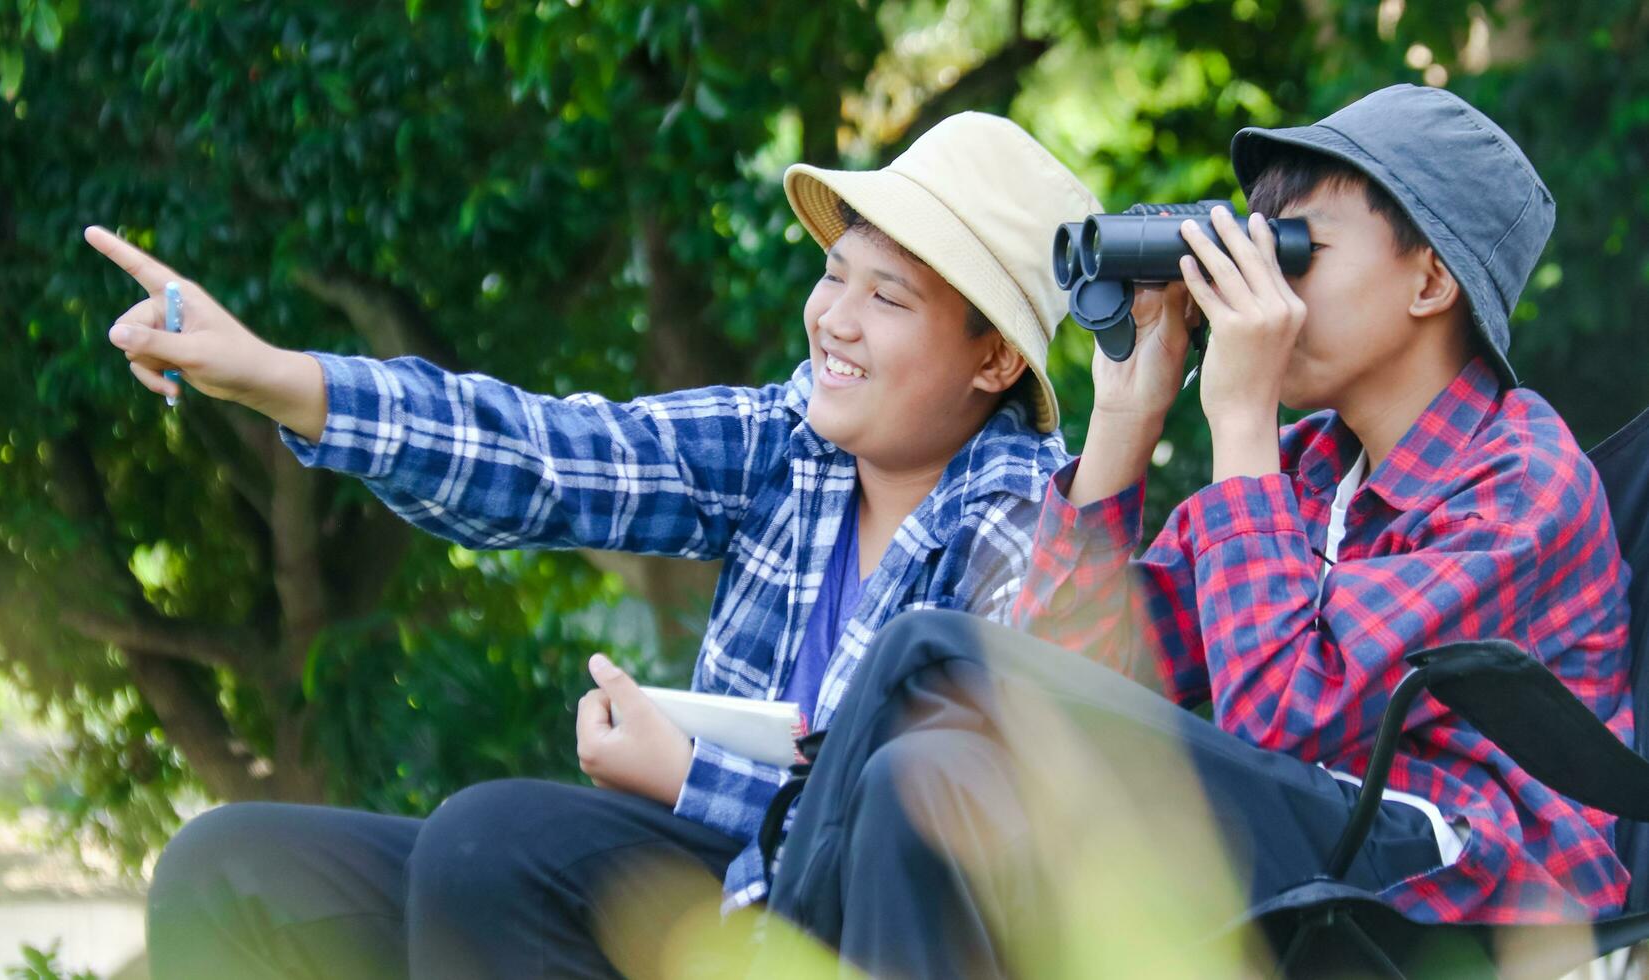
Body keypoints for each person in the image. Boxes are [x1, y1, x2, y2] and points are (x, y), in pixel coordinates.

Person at [87, 111, 1101, 977]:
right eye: (835, 275)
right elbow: (552, 455)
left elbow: (917, 854)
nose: (834, 318)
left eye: (888, 298)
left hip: (804, 938)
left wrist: (691, 774)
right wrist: (273, 374)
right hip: (686, 892)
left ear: (996, 355)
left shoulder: (1021, 527)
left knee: (492, 844)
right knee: (230, 865)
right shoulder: (791, 446)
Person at [766, 84, 1632, 977]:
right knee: (921, 780)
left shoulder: (1520, 477)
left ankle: (769, 950)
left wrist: (1242, 422)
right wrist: (1127, 419)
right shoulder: (1310, 470)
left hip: (1469, 878)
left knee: (928, 649)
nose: (1264, 289)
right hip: (1328, 832)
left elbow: (1282, 714)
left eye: (1297, 253)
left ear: (1431, 279)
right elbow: (1070, 671)